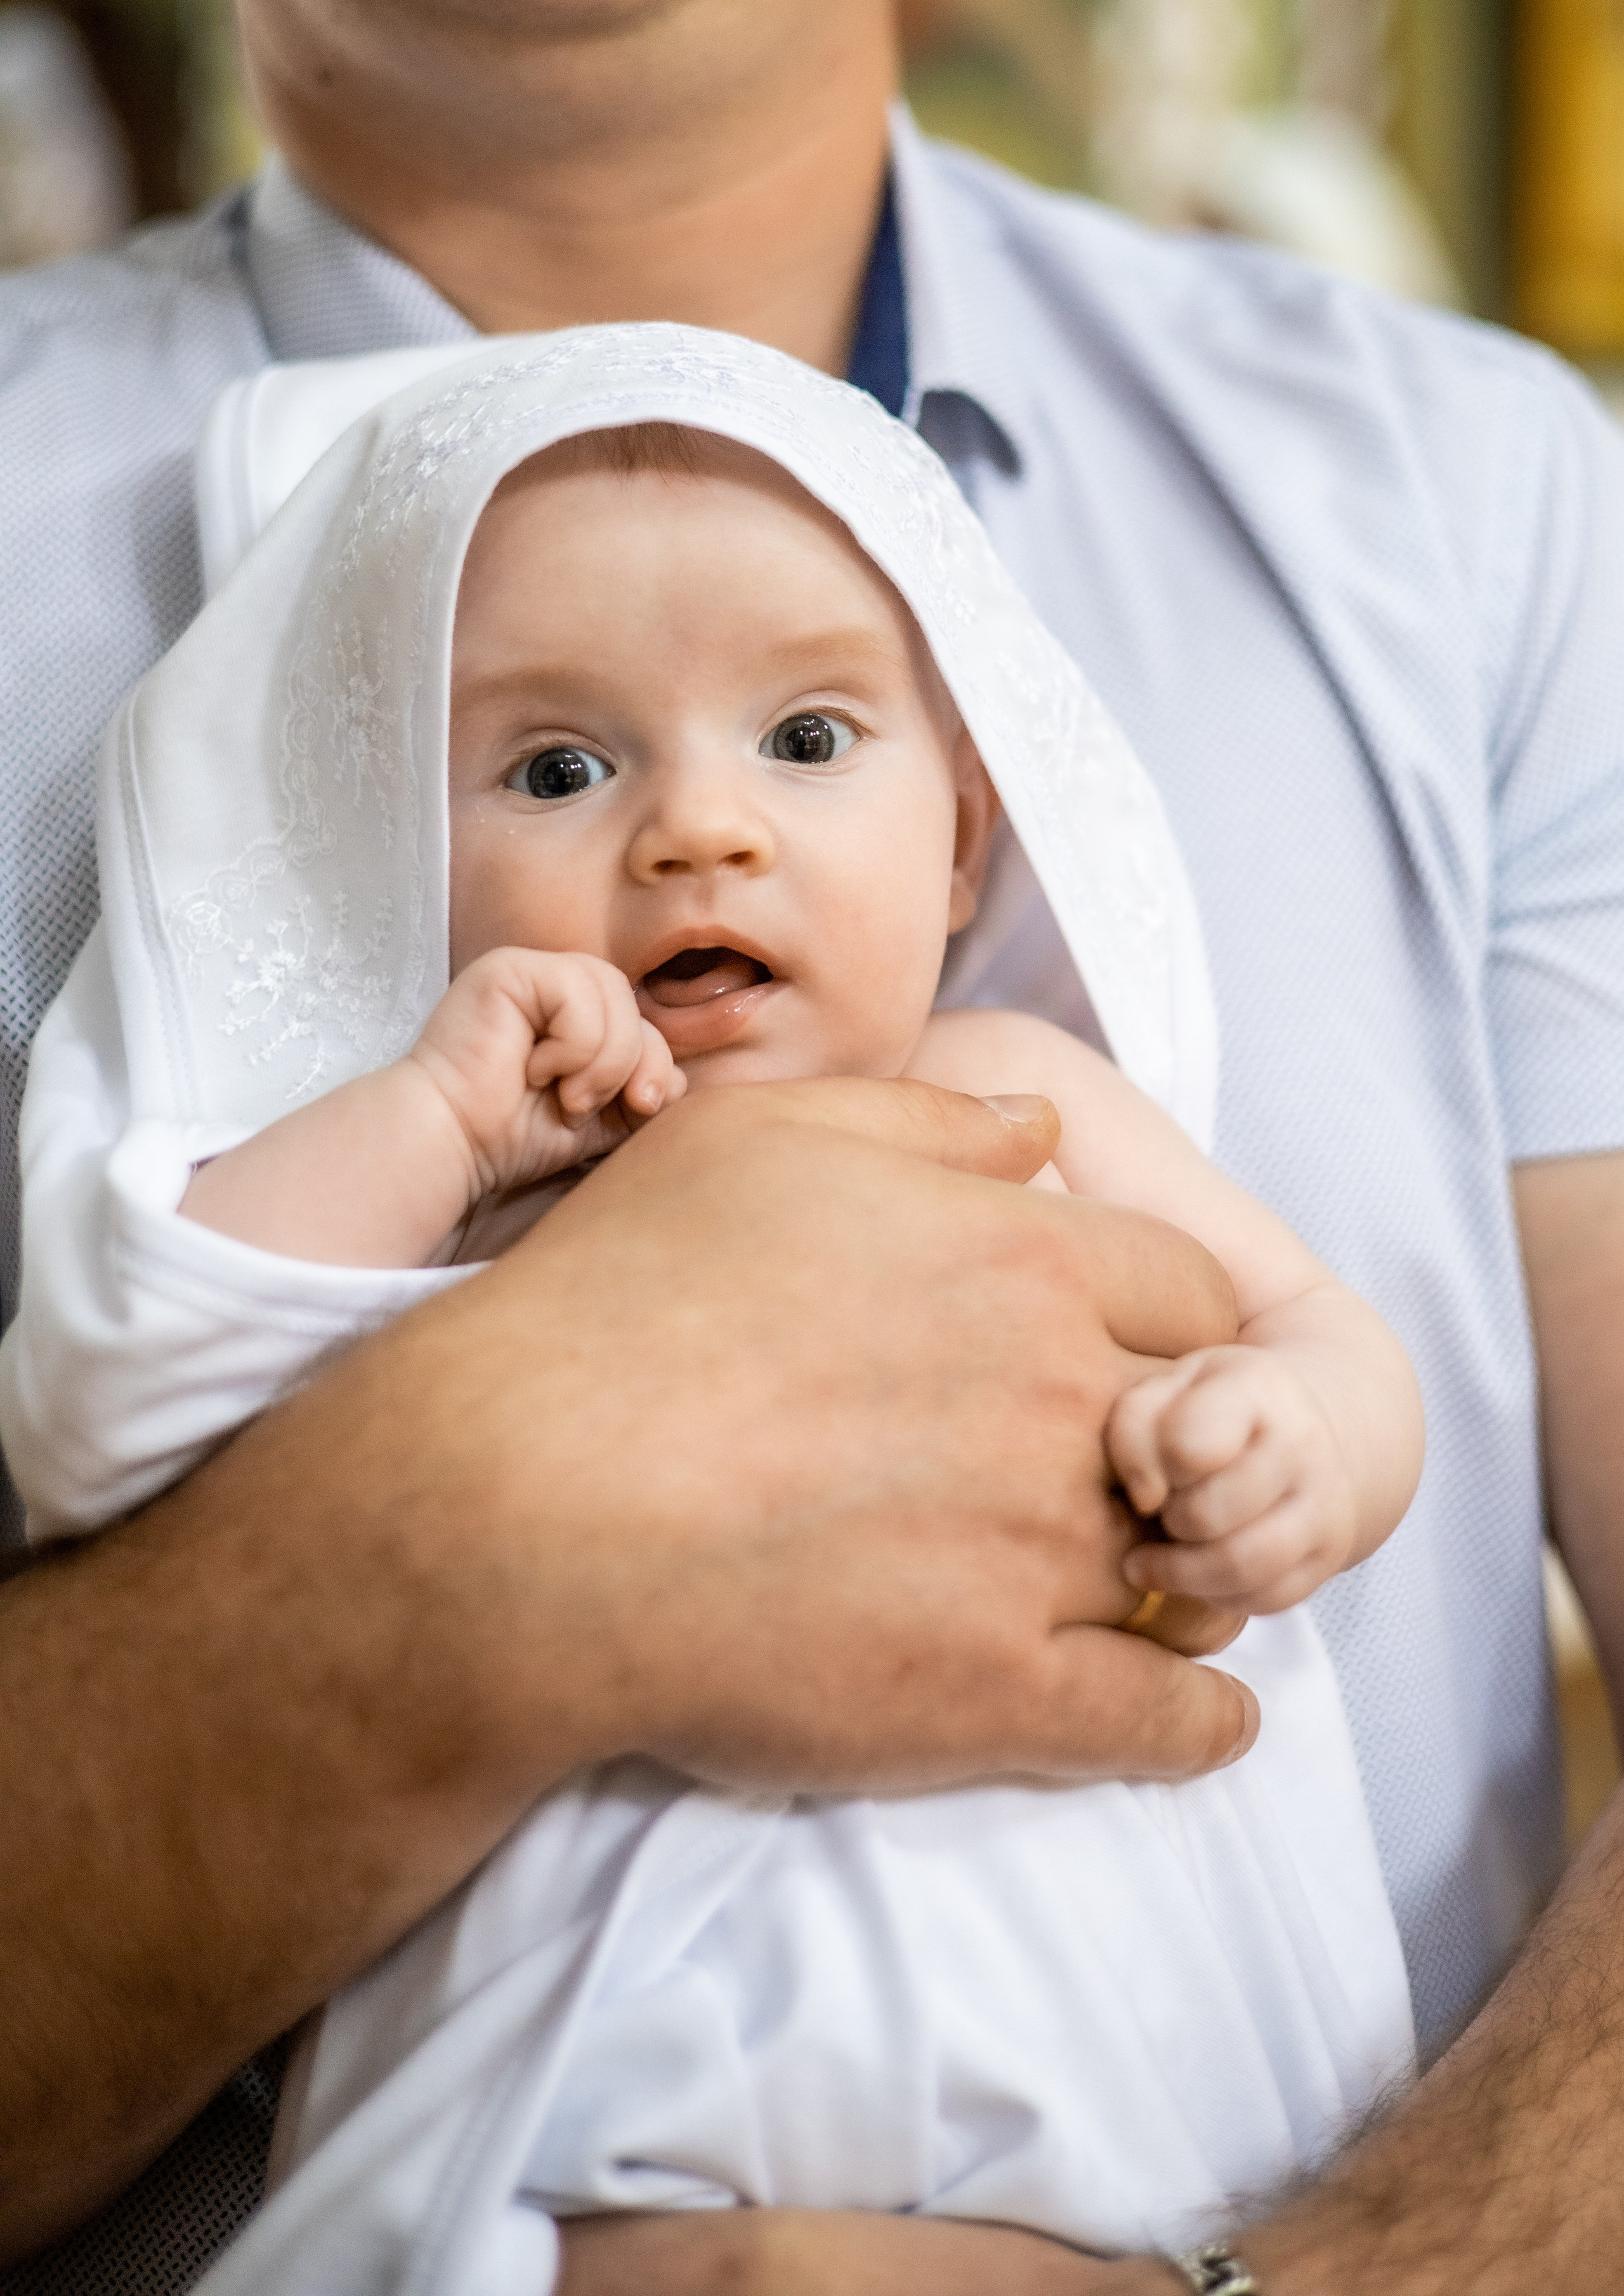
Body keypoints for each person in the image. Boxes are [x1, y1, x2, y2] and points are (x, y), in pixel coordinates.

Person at [0, 0, 1621, 2287]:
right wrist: (463, 1521)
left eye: (812, 737)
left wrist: (1299, 1442)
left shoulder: (1483, 511)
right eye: (553, 771)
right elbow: (131, 1331)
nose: (698, 836)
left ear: (973, 832)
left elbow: (1322, 1344)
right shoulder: (473, 1109)